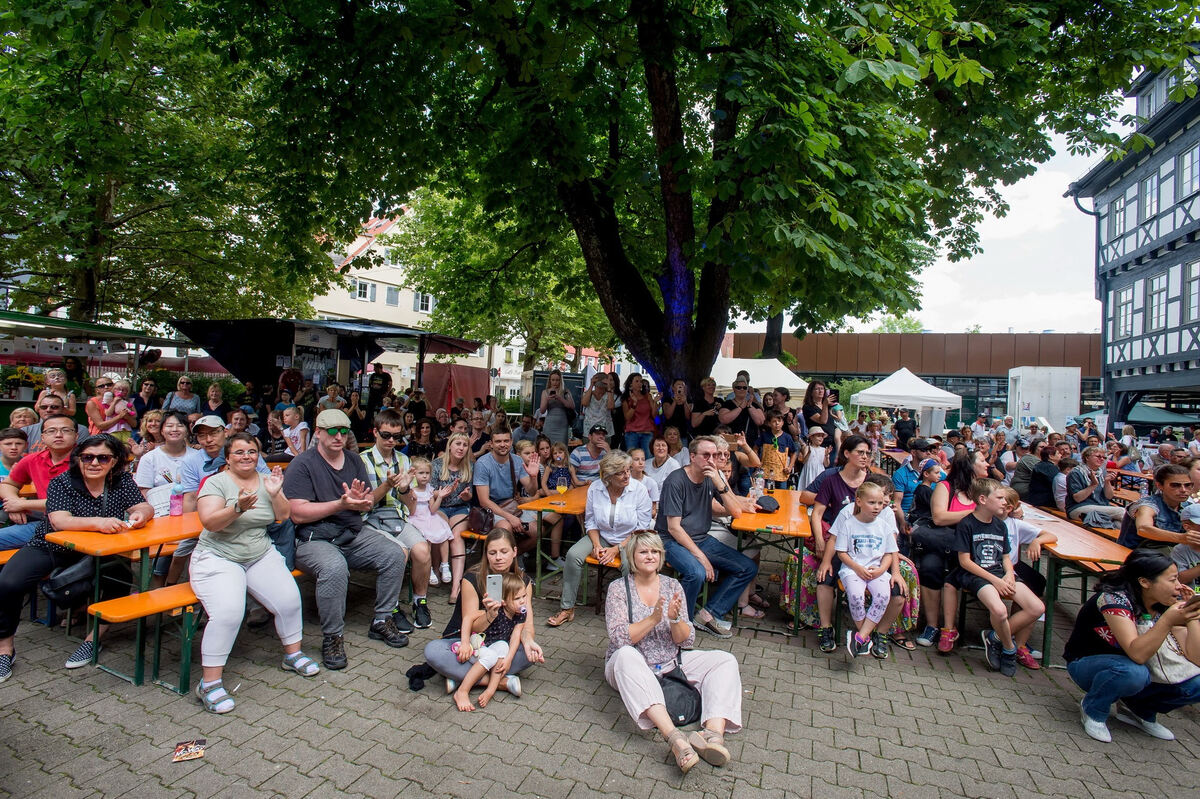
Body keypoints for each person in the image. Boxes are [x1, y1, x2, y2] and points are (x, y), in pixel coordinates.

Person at [0, 434, 153, 680]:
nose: (94, 463)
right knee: (8, 583)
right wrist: (99, 522)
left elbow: (143, 506)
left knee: (121, 578)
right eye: (87, 457)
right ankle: (5, 649)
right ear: (78, 459)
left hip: (101, 549)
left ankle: (93, 640)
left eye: (103, 458)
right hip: (52, 546)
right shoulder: (63, 482)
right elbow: (60, 521)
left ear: (114, 461)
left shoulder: (122, 480)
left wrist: (141, 515)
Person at [190, 434, 317, 714]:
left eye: (251, 451)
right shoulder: (216, 483)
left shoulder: (266, 480)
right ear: (227, 457)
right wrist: (237, 508)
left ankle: (292, 655)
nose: (246, 456)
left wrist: (275, 493)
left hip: (258, 552)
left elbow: (283, 516)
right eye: (239, 452)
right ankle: (209, 684)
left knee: (289, 599)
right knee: (229, 613)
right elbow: (209, 523)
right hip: (219, 556)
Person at [604, 530, 742, 774]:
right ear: (632, 556)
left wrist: (675, 620)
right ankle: (676, 739)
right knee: (625, 655)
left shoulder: (672, 585)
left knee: (725, 660)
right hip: (631, 665)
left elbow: (686, 640)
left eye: (655, 551)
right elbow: (619, 638)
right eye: (643, 552)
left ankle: (712, 735)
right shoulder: (618, 588)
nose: (650, 556)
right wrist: (653, 619)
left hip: (671, 660)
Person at [283, 409, 409, 669]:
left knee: (395, 554)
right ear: (318, 432)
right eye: (332, 431)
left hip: (351, 533)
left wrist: (363, 501)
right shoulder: (302, 464)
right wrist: (340, 504)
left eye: (343, 431)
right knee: (334, 568)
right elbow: (297, 514)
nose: (338, 436)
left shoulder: (353, 460)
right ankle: (333, 636)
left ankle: (382, 619)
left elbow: (367, 501)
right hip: (313, 538)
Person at [1063, 549, 1200, 743]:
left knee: (1196, 683)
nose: (1179, 586)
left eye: (1178, 578)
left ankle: (1138, 709)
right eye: (1172, 580)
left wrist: (1192, 616)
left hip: (1139, 669)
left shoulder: (1164, 603)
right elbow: (1137, 654)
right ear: (1144, 582)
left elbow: (1196, 658)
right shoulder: (1114, 599)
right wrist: (1168, 620)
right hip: (1089, 664)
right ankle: (1093, 708)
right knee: (1133, 673)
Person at [424, 528, 545, 697]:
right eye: (492, 553)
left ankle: (460, 677)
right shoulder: (472, 579)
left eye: (504, 552)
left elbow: (526, 624)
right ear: (486, 555)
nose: (498, 557)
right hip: (472, 643)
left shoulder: (523, 581)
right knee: (433, 651)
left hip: (501, 643)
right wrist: (490, 614)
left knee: (529, 653)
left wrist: (528, 640)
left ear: (514, 551)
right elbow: (472, 627)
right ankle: (500, 682)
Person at [655, 436, 753, 638]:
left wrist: (719, 482)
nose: (711, 460)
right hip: (670, 541)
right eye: (706, 455)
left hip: (700, 538)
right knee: (697, 572)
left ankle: (708, 614)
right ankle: (681, 623)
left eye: (715, 455)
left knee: (747, 567)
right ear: (692, 457)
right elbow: (674, 528)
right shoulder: (676, 481)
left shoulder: (712, 477)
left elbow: (735, 512)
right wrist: (701, 557)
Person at [947, 478, 1045, 677]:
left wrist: (1009, 574)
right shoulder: (967, 524)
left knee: (1037, 607)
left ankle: (995, 637)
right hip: (977, 575)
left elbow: (1006, 557)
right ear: (983, 500)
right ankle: (1009, 648)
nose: (1004, 502)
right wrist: (995, 581)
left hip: (1001, 573)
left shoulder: (1000, 525)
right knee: (999, 610)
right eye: (999, 498)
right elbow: (965, 562)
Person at [547, 451, 652, 628]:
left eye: (628, 470)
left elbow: (641, 528)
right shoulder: (596, 488)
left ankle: (632, 612)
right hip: (602, 535)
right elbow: (591, 521)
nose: (627, 475)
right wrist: (596, 545)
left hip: (631, 538)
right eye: (620, 472)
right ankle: (567, 609)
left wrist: (617, 549)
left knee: (629, 564)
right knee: (573, 555)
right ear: (608, 476)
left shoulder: (639, 490)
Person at [359, 408, 431, 630]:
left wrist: (404, 489)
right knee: (399, 552)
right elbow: (364, 504)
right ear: (375, 432)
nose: (391, 440)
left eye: (397, 436)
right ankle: (391, 607)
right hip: (370, 519)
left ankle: (420, 601)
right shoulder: (362, 461)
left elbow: (410, 506)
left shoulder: (403, 460)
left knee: (422, 551)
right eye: (386, 435)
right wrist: (387, 486)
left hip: (398, 517)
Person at [911, 449, 989, 651]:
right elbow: (939, 517)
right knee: (930, 567)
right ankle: (932, 625)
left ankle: (953, 627)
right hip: (944, 543)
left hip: (974, 546)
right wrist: (975, 512)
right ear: (970, 466)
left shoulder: (987, 489)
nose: (987, 464)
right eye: (982, 460)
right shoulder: (946, 487)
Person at [833, 482, 907, 658]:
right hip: (853, 569)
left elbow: (890, 552)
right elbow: (841, 552)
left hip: (877, 570)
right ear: (859, 501)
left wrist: (882, 569)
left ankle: (860, 637)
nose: (877, 507)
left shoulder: (884, 526)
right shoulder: (849, 524)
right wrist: (857, 567)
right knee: (856, 595)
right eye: (872, 502)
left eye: (880, 503)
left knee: (883, 596)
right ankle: (864, 637)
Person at [996, 486, 1057, 669]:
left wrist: (1037, 541)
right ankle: (1002, 637)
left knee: (1035, 584)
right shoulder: (983, 521)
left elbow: (1050, 535)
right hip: (992, 570)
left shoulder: (1015, 524)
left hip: (1011, 569)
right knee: (1031, 586)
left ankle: (1019, 643)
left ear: (1010, 508)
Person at [451, 571, 530, 712]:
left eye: (524, 596)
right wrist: (464, 643)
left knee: (504, 646)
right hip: (478, 645)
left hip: (493, 646)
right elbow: (468, 618)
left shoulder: (520, 614)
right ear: (503, 600)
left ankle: (490, 690)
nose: (523, 601)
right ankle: (462, 691)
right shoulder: (496, 609)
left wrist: (508, 659)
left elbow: (515, 636)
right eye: (517, 598)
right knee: (491, 656)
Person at [0, 415, 78, 550]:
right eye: (51, 431)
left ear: (76, 436)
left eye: (66, 430)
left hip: (78, 526)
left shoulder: (89, 461)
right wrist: (13, 502)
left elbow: (73, 502)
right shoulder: (32, 459)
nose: (58, 435)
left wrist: (21, 504)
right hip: (45, 523)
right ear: (43, 437)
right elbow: (8, 484)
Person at [473, 423, 540, 552]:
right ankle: (507, 559)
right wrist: (509, 517)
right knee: (505, 528)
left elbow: (531, 491)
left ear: (511, 442)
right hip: (491, 510)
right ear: (491, 444)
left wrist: (533, 476)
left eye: (506, 441)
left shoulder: (517, 460)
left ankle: (514, 557)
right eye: (498, 441)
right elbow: (484, 501)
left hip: (511, 506)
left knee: (538, 532)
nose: (503, 444)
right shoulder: (483, 463)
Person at [1117, 465, 1196, 551]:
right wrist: (1181, 538)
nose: (1183, 490)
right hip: (1136, 554)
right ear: (1160, 485)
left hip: (1166, 553)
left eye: (1188, 485)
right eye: (1175, 485)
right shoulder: (1148, 505)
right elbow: (1143, 528)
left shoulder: (1188, 506)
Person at [407, 456, 456, 589]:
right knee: (426, 538)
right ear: (414, 474)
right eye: (421, 473)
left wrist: (439, 497)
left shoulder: (429, 489)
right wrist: (414, 500)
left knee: (444, 533)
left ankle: (444, 565)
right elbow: (411, 512)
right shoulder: (411, 490)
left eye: (427, 473)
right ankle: (428, 569)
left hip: (429, 516)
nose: (424, 476)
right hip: (417, 518)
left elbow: (433, 509)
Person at [133, 411, 192, 514]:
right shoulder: (149, 458)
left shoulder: (197, 456)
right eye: (169, 426)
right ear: (162, 431)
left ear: (187, 430)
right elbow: (144, 492)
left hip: (192, 513)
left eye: (180, 425)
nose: (174, 429)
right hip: (161, 513)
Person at [1066, 446, 1126, 526]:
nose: (1102, 459)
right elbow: (1077, 498)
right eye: (1098, 456)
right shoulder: (1076, 473)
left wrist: (1107, 482)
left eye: (1104, 457)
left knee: (1118, 524)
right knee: (1121, 511)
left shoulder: (1101, 473)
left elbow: (1109, 496)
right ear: (1087, 457)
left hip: (1099, 506)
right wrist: (1093, 485)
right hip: (1078, 508)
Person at [718, 378, 764, 450]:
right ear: (734, 389)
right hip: (731, 442)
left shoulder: (754, 405)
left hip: (750, 444)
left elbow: (760, 421)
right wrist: (740, 408)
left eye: (744, 388)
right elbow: (723, 419)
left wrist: (749, 406)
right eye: (739, 387)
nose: (742, 389)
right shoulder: (727, 404)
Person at [621, 373, 657, 453]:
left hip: (647, 432)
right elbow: (627, 417)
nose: (640, 383)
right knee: (632, 456)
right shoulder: (626, 398)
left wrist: (655, 402)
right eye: (637, 381)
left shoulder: (647, 396)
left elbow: (654, 415)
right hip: (632, 433)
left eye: (641, 381)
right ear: (631, 383)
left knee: (648, 457)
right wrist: (634, 403)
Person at [538, 370, 575, 445]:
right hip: (549, 424)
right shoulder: (545, 392)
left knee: (561, 447)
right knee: (548, 446)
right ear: (550, 381)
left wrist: (560, 398)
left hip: (562, 425)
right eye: (553, 380)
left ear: (560, 381)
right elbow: (542, 411)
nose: (555, 382)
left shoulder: (566, 391)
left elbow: (572, 406)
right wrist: (547, 400)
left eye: (557, 380)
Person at [580, 373, 615, 441]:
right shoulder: (588, 393)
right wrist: (591, 385)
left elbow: (610, 406)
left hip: (605, 431)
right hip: (589, 430)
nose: (600, 389)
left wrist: (609, 387)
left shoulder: (609, 394)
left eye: (602, 387)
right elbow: (584, 403)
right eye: (598, 386)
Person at [802, 381, 838, 446]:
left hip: (832, 440)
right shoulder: (808, 407)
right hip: (819, 442)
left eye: (822, 388)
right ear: (811, 392)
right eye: (817, 389)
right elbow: (823, 421)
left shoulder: (828, 405)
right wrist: (825, 404)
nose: (820, 391)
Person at [1026, 443, 1062, 508]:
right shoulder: (1047, 467)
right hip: (1043, 501)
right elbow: (1057, 482)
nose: (1061, 455)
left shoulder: (1045, 465)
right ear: (1051, 456)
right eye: (1058, 453)